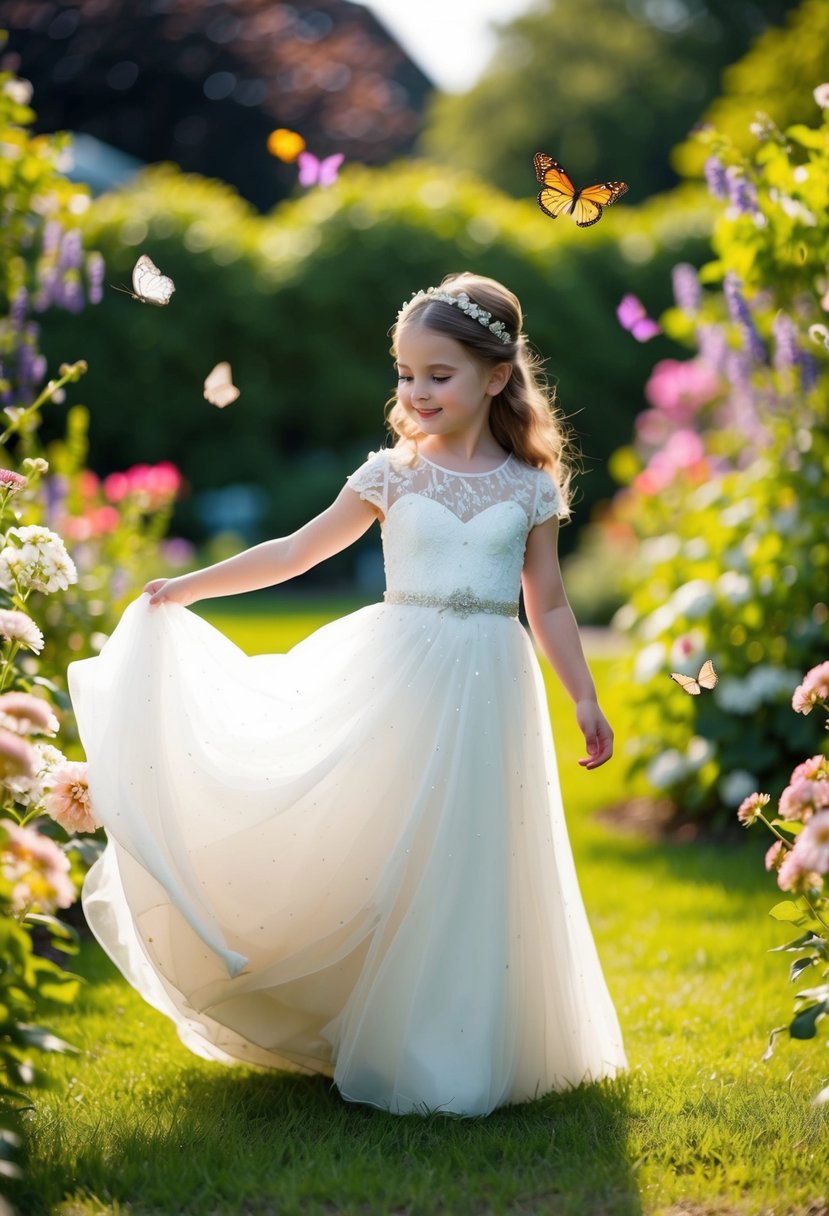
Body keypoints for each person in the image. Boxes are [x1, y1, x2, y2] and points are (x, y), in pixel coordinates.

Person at [68, 271, 627, 1117]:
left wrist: (582, 695)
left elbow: (544, 598)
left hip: (492, 683)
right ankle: (363, 1017)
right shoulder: (391, 475)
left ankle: (466, 1041)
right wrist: (190, 587)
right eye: (405, 374)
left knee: (474, 853)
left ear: (495, 377)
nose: (416, 390)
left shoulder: (528, 487)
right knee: (383, 844)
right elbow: (296, 551)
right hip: (400, 673)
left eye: (438, 374)